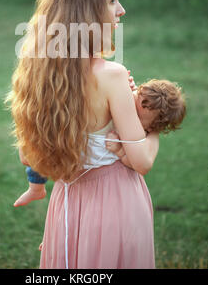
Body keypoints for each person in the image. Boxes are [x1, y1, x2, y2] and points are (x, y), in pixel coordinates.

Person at [7, 0, 162, 269]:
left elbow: (29, 156)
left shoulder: (37, 74)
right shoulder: (111, 76)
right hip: (115, 205)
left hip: (66, 205)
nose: (122, 10)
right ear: (87, 12)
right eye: (113, 0)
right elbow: (141, 161)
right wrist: (155, 127)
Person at [13, 77, 186, 207]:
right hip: (71, 159)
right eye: (133, 101)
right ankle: (36, 189)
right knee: (41, 152)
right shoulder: (122, 98)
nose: (129, 113)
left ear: (151, 128)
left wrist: (119, 151)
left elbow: (137, 164)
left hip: (98, 182)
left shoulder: (139, 136)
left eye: (138, 117)